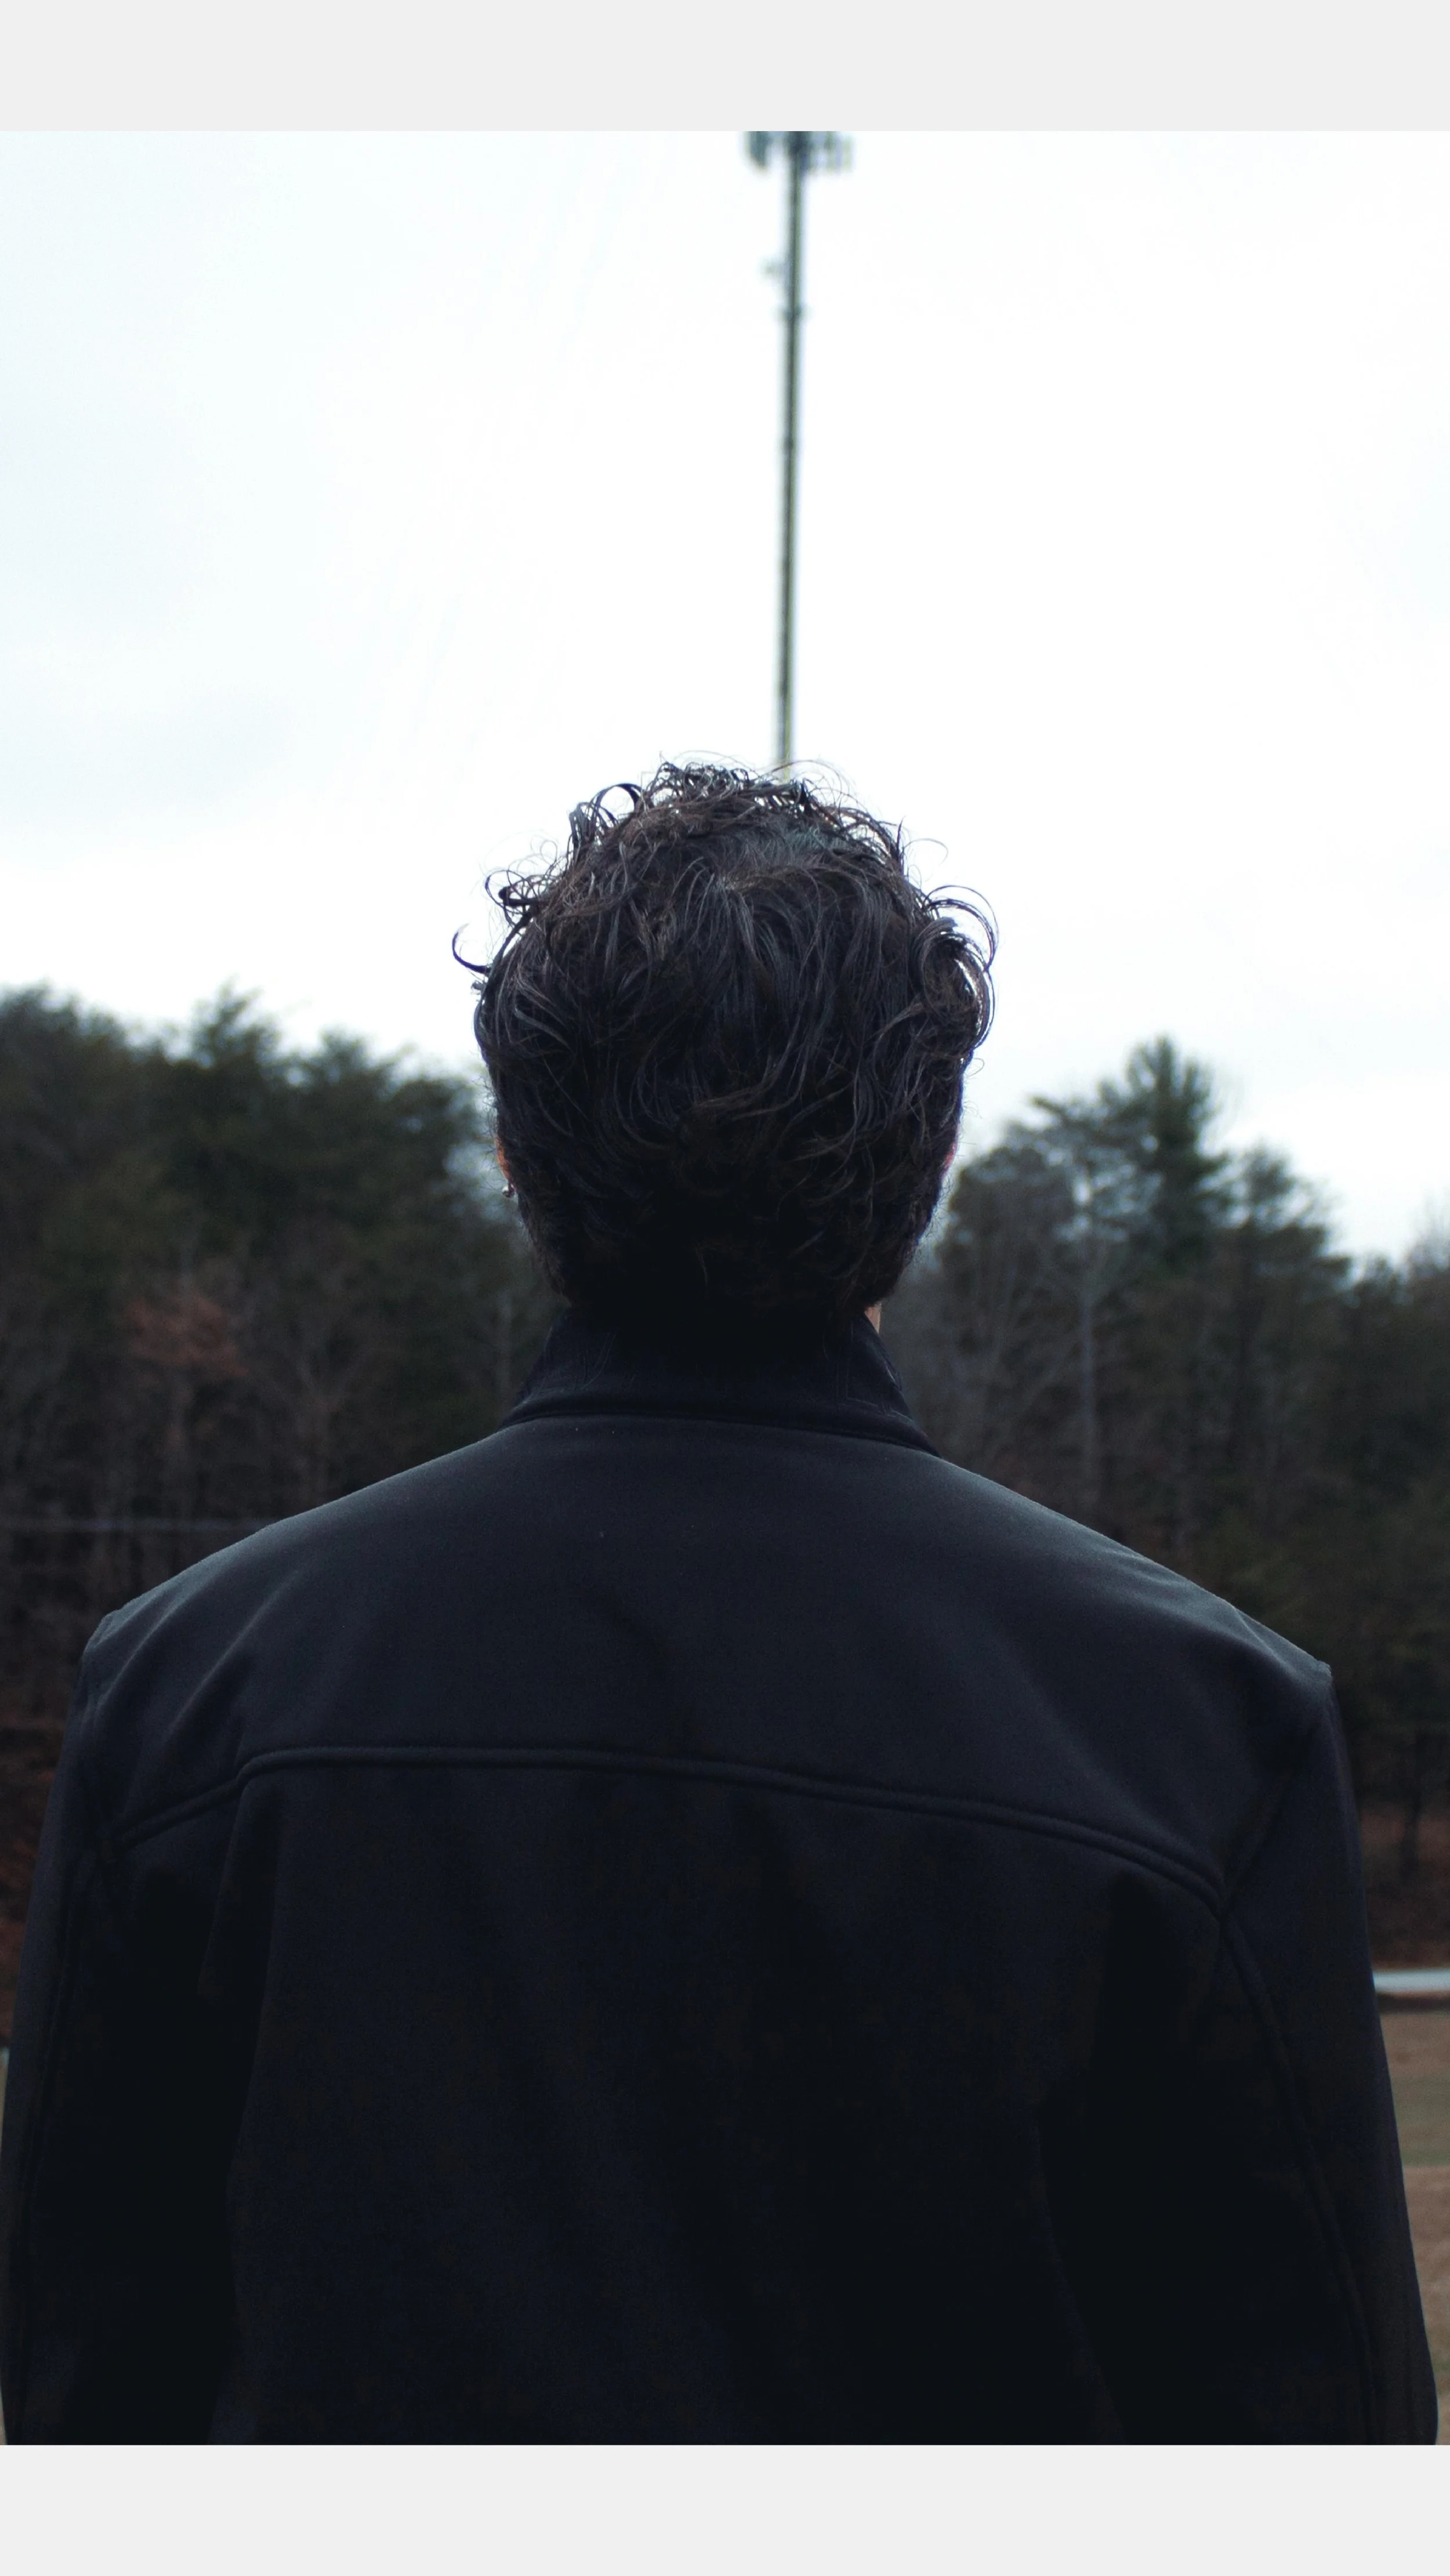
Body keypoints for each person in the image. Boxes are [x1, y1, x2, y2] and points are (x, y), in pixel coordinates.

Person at [0, 765, 1434, 2442]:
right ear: (933, 1154)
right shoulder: (1202, 1729)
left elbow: (86, 2401)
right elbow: (1313, 2450)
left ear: (512, 1151)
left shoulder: (190, 1690)